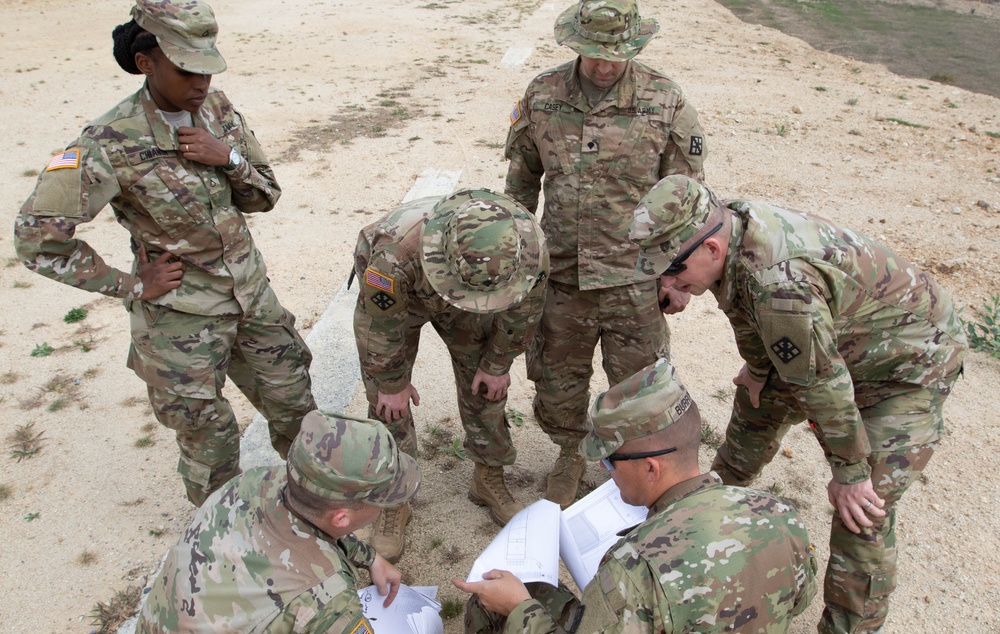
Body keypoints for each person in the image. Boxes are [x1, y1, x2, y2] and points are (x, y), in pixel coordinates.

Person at [630, 175, 968, 634]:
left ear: (710, 249)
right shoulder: (727, 226)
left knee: (862, 510)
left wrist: (850, 472)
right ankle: (707, 517)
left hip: (907, 366)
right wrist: (758, 365)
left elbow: (823, 382)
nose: (667, 282)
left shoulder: (780, 286)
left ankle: (850, 627)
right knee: (755, 410)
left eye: (671, 269)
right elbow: (741, 303)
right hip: (830, 343)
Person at [13, 0, 316, 505]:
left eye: (207, 69)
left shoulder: (217, 111)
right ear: (145, 62)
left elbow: (265, 195)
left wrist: (229, 158)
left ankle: (319, 514)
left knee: (297, 411)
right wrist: (130, 285)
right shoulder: (109, 141)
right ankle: (223, 543)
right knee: (210, 443)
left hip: (252, 299)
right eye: (186, 70)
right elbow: (36, 237)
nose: (200, 84)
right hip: (182, 320)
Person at [503, 0, 708, 508]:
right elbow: (522, 182)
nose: (603, 64)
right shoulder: (543, 94)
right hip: (563, 276)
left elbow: (687, 196)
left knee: (640, 389)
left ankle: (639, 469)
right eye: (592, 52)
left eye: (617, 54)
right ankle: (570, 453)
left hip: (634, 279)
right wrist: (515, 262)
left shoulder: (665, 100)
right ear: (575, 43)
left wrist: (677, 278)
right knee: (557, 380)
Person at [454, 358, 817, 633]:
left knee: (496, 602)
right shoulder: (780, 515)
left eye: (610, 460)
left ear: (651, 468)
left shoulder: (634, 570)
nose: (603, 470)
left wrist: (518, 607)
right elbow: (802, 598)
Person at [352, 188, 548, 561]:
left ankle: (488, 477)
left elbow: (525, 310)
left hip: (472, 292)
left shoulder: (529, 250)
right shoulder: (393, 259)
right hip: (400, 298)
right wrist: (391, 384)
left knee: (485, 384)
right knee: (386, 403)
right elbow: (381, 328)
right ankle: (395, 494)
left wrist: (497, 363)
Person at [136, 410, 420, 633]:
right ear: (342, 517)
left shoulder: (253, 482)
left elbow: (319, 521)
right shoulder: (323, 601)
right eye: (381, 502)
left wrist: (370, 559)